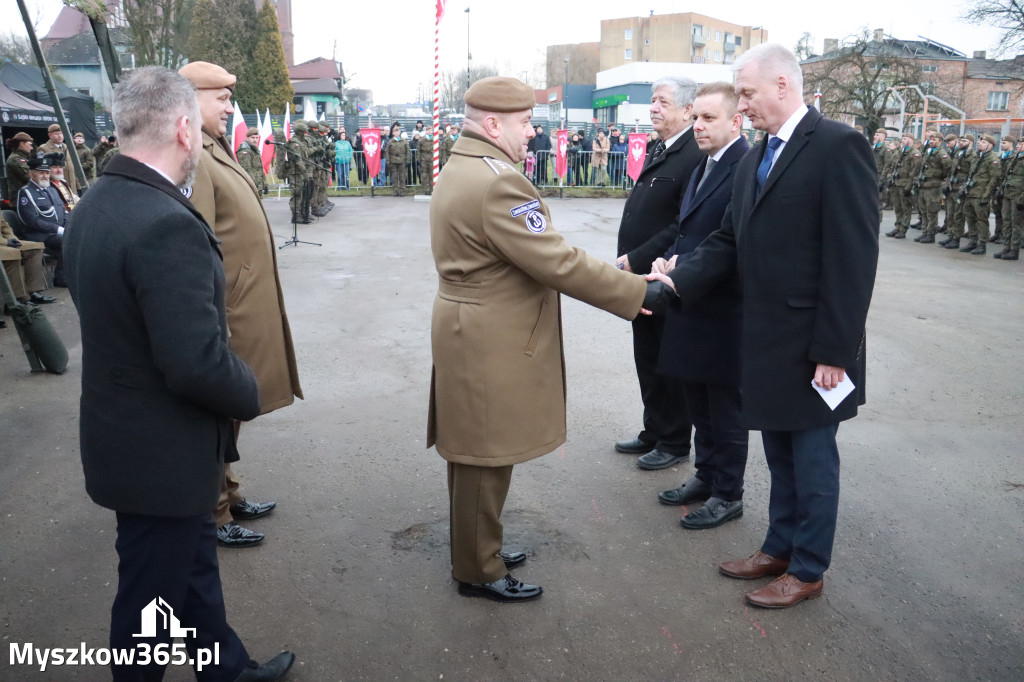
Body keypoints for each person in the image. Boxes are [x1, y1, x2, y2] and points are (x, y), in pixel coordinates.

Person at [63, 65, 295, 682]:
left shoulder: (97, 202)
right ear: (185, 131)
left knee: (188, 571)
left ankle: (230, 671)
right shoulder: (163, 221)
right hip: (160, 453)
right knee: (147, 607)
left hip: (131, 440)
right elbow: (194, 362)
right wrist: (250, 389)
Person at [648, 44, 878, 609]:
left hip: (816, 348)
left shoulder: (837, 146)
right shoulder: (755, 157)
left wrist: (835, 350)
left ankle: (808, 569)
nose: (742, 104)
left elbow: (854, 258)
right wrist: (679, 279)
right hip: (766, 342)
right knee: (779, 455)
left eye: (746, 94)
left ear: (782, 84)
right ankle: (778, 548)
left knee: (813, 461)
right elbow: (728, 238)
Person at [428, 76, 671, 603]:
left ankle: (478, 545)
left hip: (470, 328)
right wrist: (634, 292)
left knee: (477, 450)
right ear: (493, 124)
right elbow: (557, 260)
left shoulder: (464, 166)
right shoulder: (498, 181)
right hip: (489, 336)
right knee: (483, 457)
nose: (530, 131)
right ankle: (478, 569)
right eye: (523, 122)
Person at [180, 61, 303, 549]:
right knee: (215, 414)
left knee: (229, 413)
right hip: (226, 311)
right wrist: (213, 320)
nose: (231, 107)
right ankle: (212, 514)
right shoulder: (193, 155)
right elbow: (196, 246)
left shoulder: (213, 147)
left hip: (242, 303)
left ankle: (228, 494)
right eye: (222, 99)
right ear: (190, 101)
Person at [651, 81, 750, 530]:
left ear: (736, 120)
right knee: (698, 401)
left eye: (709, 118)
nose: (698, 127)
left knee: (724, 408)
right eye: (696, 118)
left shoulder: (746, 166)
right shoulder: (705, 166)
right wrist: (668, 257)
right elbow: (689, 230)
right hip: (691, 298)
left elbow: (732, 242)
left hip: (723, 308)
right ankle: (706, 476)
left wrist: (682, 267)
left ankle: (728, 493)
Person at [613, 75, 703, 471]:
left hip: (660, 273)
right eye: (652, 101)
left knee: (667, 360)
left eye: (662, 102)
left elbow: (681, 222)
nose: (653, 108)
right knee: (646, 356)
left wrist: (638, 257)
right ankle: (654, 430)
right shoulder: (661, 147)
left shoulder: (694, 155)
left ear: (687, 110)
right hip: (638, 272)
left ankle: (673, 440)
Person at [16, 156, 68, 288]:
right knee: (67, 241)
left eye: (46, 173)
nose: (45, 176)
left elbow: (62, 213)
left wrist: (71, 225)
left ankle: (72, 273)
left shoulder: (51, 190)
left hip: (54, 233)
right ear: (31, 174)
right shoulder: (26, 193)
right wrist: (58, 229)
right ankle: (61, 278)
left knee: (79, 236)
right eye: (41, 172)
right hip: (37, 234)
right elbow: (31, 221)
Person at [956, 134, 1002, 254]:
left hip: (981, 194)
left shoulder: (993, 159)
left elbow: (994, 179)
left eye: (983, 142)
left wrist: (986, 196)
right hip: (970, 193)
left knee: (982, 220)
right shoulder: (977, 156)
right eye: (979, 141)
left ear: (990, 145)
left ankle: (982, 244)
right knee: (970, 218)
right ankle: (973, 241)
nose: (979, 143)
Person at [1, 212, 55, 307]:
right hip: (2, 243)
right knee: (13, 254)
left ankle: (32, 291)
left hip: (4, 242)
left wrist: (12, 238)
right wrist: (6, 242)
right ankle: (17, 299)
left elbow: (4, 225)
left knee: (35, 248)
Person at [913, 130, 951, 244]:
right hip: (924, 185)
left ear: (940, 142)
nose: (931, 141)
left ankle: (931, 234)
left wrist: (941, 180)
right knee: (923, 210)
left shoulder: (941, 154)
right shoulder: (928, 152)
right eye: (931, 139)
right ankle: (924, 232)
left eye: (934, 140)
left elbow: (947, 169)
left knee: (931, 211)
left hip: (933, 186)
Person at [885, 132, 919, 239]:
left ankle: (903, 229)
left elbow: (914, 172)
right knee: (897, 207)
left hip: (905, 184)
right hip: (896, 183)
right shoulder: (900, 152)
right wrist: (890, 178)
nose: (902, 140)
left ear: (911, 140)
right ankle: (898, 226)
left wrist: (909, 187)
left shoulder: (914, 153)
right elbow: (893, 166)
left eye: (905, 138)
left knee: (905, 208)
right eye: (902, 138)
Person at [996, 137, 1024, 260]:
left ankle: (1014, 250)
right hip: (1008, 193)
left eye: (1021, 144)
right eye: (1018, 144)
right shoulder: (1016, 157)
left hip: (1018, 196)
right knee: (1006, 221)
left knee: (1016, 223)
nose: (1018, 146)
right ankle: (1006, 247)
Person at [37, 123, 80, 196]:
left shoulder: (67, 147)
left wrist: (78, 186)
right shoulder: (44, 148)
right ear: (50, 135)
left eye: (61, 133)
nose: (60, 136)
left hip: (71, 186)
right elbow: (42, 169)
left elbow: (73, 167)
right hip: (56, 187)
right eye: (56, 134)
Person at [236, 127, 266, 195]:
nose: (255, 140)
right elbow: (247, 171)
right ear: (247, 138)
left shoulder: (254, 150)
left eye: (257, 137)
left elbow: (259, 169)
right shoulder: (245, 152)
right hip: (251, 187)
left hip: (258, 186)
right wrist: (254, 186)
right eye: (252, 138)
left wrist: (263, 184)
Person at [5, 132, 34, 201]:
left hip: (25, 195)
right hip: (20, 198)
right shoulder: (16, 159)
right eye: (29, 145)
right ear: (22, 144)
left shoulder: (21, 158)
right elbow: (29, 177)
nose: (31, 148)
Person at [385, 124, 410, 196]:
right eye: (395, 131)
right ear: (392, 133)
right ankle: (396, 190)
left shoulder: (404, 141)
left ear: (400, 132)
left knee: (402, 176)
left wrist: (407, 160)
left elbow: (408, 151)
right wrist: (388, 161)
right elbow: (387, 152)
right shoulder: (390, 142)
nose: (396, 133)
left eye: (398, 131)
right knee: (394, 177)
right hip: (393, 161)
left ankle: (402, 191)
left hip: (402, 161)